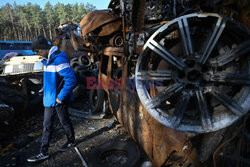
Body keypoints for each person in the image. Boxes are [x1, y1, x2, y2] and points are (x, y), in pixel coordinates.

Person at [27, 35, 77, 162]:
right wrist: (44, 88)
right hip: (49, 98)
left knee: (60, 121)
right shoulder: (47, 60)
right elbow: (50, 78)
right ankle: (46, 151)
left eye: (38, 51)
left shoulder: (59, 59)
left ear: (44, 48)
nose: (38, 54)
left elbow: (71, 80)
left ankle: (68, 142)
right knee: (51, 124)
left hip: (59, 99)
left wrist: (61, 97)